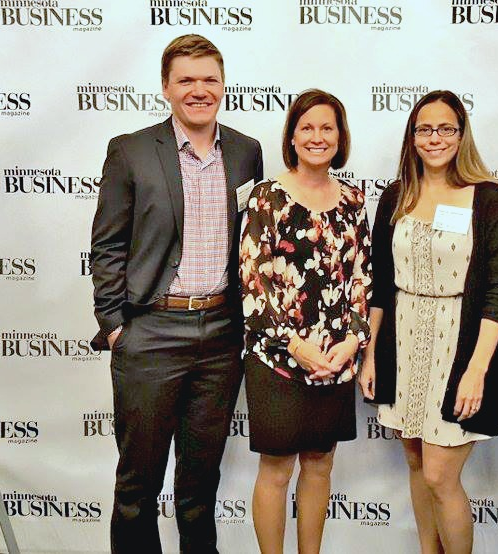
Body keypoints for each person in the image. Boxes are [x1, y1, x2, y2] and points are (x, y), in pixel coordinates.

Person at [89, 34, 264, 554]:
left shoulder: (246, 151)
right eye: (186, 79)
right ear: (166, 88)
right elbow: (107, 244)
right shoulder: (132, 151)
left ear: (223, 86)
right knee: (138, 484)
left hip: (220, 335)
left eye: (209, 79)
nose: (198, 90)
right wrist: (117, 324)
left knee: (199, 485)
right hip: (151, 332)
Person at [358, 90, 498, 554]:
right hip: (404, 344)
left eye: (445, 128)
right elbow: (381, 285)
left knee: (439, 475)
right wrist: (370, 355)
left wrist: (477, 369)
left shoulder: (489, 199)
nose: (434, 138)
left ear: (461, 134)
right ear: (412, 137)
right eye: (424, 129)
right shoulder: (396, 196)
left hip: (460, 345)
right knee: (414, 461)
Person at [240, 89, 372, 554]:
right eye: (307, 128)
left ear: (340, 136)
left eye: (327, 127)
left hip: (334, 360)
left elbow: (362, 276)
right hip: (278, 359)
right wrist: (297, 346)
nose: (318, 137)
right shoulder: (266, 198)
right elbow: (253, 285)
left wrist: (352, 342)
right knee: (276, 471)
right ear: (292, 137)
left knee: (320, 465)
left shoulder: (354, 200)